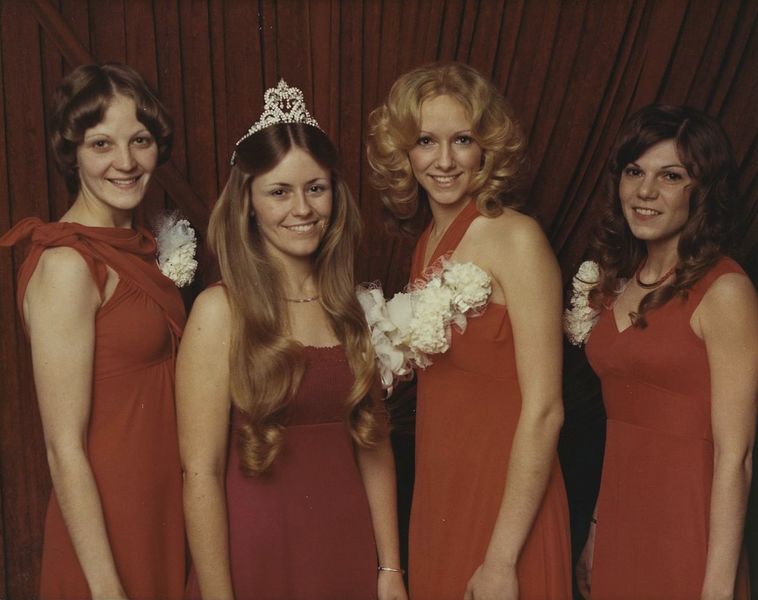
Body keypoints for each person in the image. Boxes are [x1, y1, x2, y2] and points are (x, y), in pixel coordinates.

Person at [178, 80, 408, 600]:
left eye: (316, 188)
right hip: (256, 557)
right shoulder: (220, 311)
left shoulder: (350, 307)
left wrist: (390, 569)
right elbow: (201, 474)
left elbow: (373, 447)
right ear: (249, 205)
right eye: (279, 191)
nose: (302, 208)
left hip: (346, 550)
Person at [366, 62, 572, 600]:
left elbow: (546, 408)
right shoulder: (428, 242)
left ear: (488, 147)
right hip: (441, 496)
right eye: (425, 141)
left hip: (505, 508)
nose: (444, 160)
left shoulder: (517, 239)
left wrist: (502, 559)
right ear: (403, 153)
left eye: (462, 139)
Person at [0, 64, 186, 599]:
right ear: (72, 151)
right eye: (101, 143)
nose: (125, 163)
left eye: (140, 140)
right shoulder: (67, 266)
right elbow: (62, 447)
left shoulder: (139, 247)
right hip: (109, 530)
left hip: (161, 511)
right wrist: (107, 590)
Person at [576, 104, 758, 599]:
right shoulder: (617, 283)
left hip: (688, 529)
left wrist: (717, 589)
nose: (645, 191)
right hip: (620, 520)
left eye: (670, 176)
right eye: (635, 171)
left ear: (703, 191)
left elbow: (736, 456)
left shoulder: (724, 290)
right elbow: (621, 426)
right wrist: (598, 525)